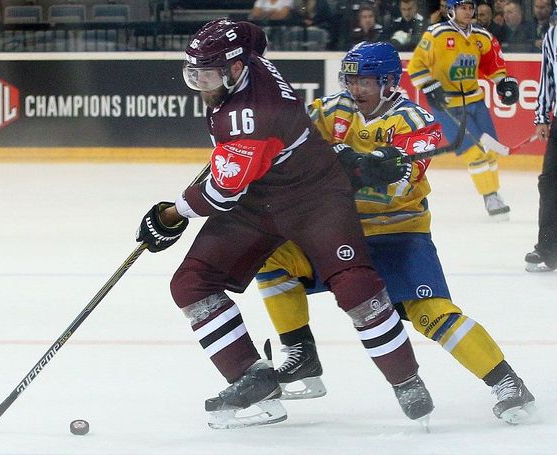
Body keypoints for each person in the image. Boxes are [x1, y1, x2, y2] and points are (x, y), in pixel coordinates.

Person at [136, 20, 434, 429]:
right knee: (191, 283)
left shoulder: (250, 118)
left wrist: (169, 215)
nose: (201, 84)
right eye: (195, 74)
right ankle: (253, 379)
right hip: (259, 198)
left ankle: (406, 380)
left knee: (354, 286)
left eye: (208, 74)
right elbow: (254, 32)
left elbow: (222, 194)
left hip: (315, 197)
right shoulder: (250, 55)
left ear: (237, 69)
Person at [256, 40, 536, 425]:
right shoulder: (333, 109)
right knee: (270, 256)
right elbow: (288, 136)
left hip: (398, 235)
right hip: (341, 234)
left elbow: (403, 181)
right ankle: (300, 352)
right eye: (351, 80)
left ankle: (507, 381)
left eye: (366, 82)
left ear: (389, 82)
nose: (356, 90)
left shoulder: (415, 121)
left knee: (431, 314)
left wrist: (378, 164)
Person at [408, 0, 519, 220]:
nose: (468, 12)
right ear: (452, 10)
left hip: (475, 101)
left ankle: (493, 192)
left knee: (489, 150)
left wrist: (504, 82)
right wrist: (429, 86)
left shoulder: (482, 37)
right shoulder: (436, 34)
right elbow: (416, 66)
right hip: (448, 105)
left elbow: (493, 65)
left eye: (470, 8)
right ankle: (490, 196)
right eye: (463, 8)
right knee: (474, 151)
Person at [527, 16, 557, 272]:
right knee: (549, 182)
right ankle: (549, 249)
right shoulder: (552, 34)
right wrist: (541, 116)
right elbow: (547, 78)